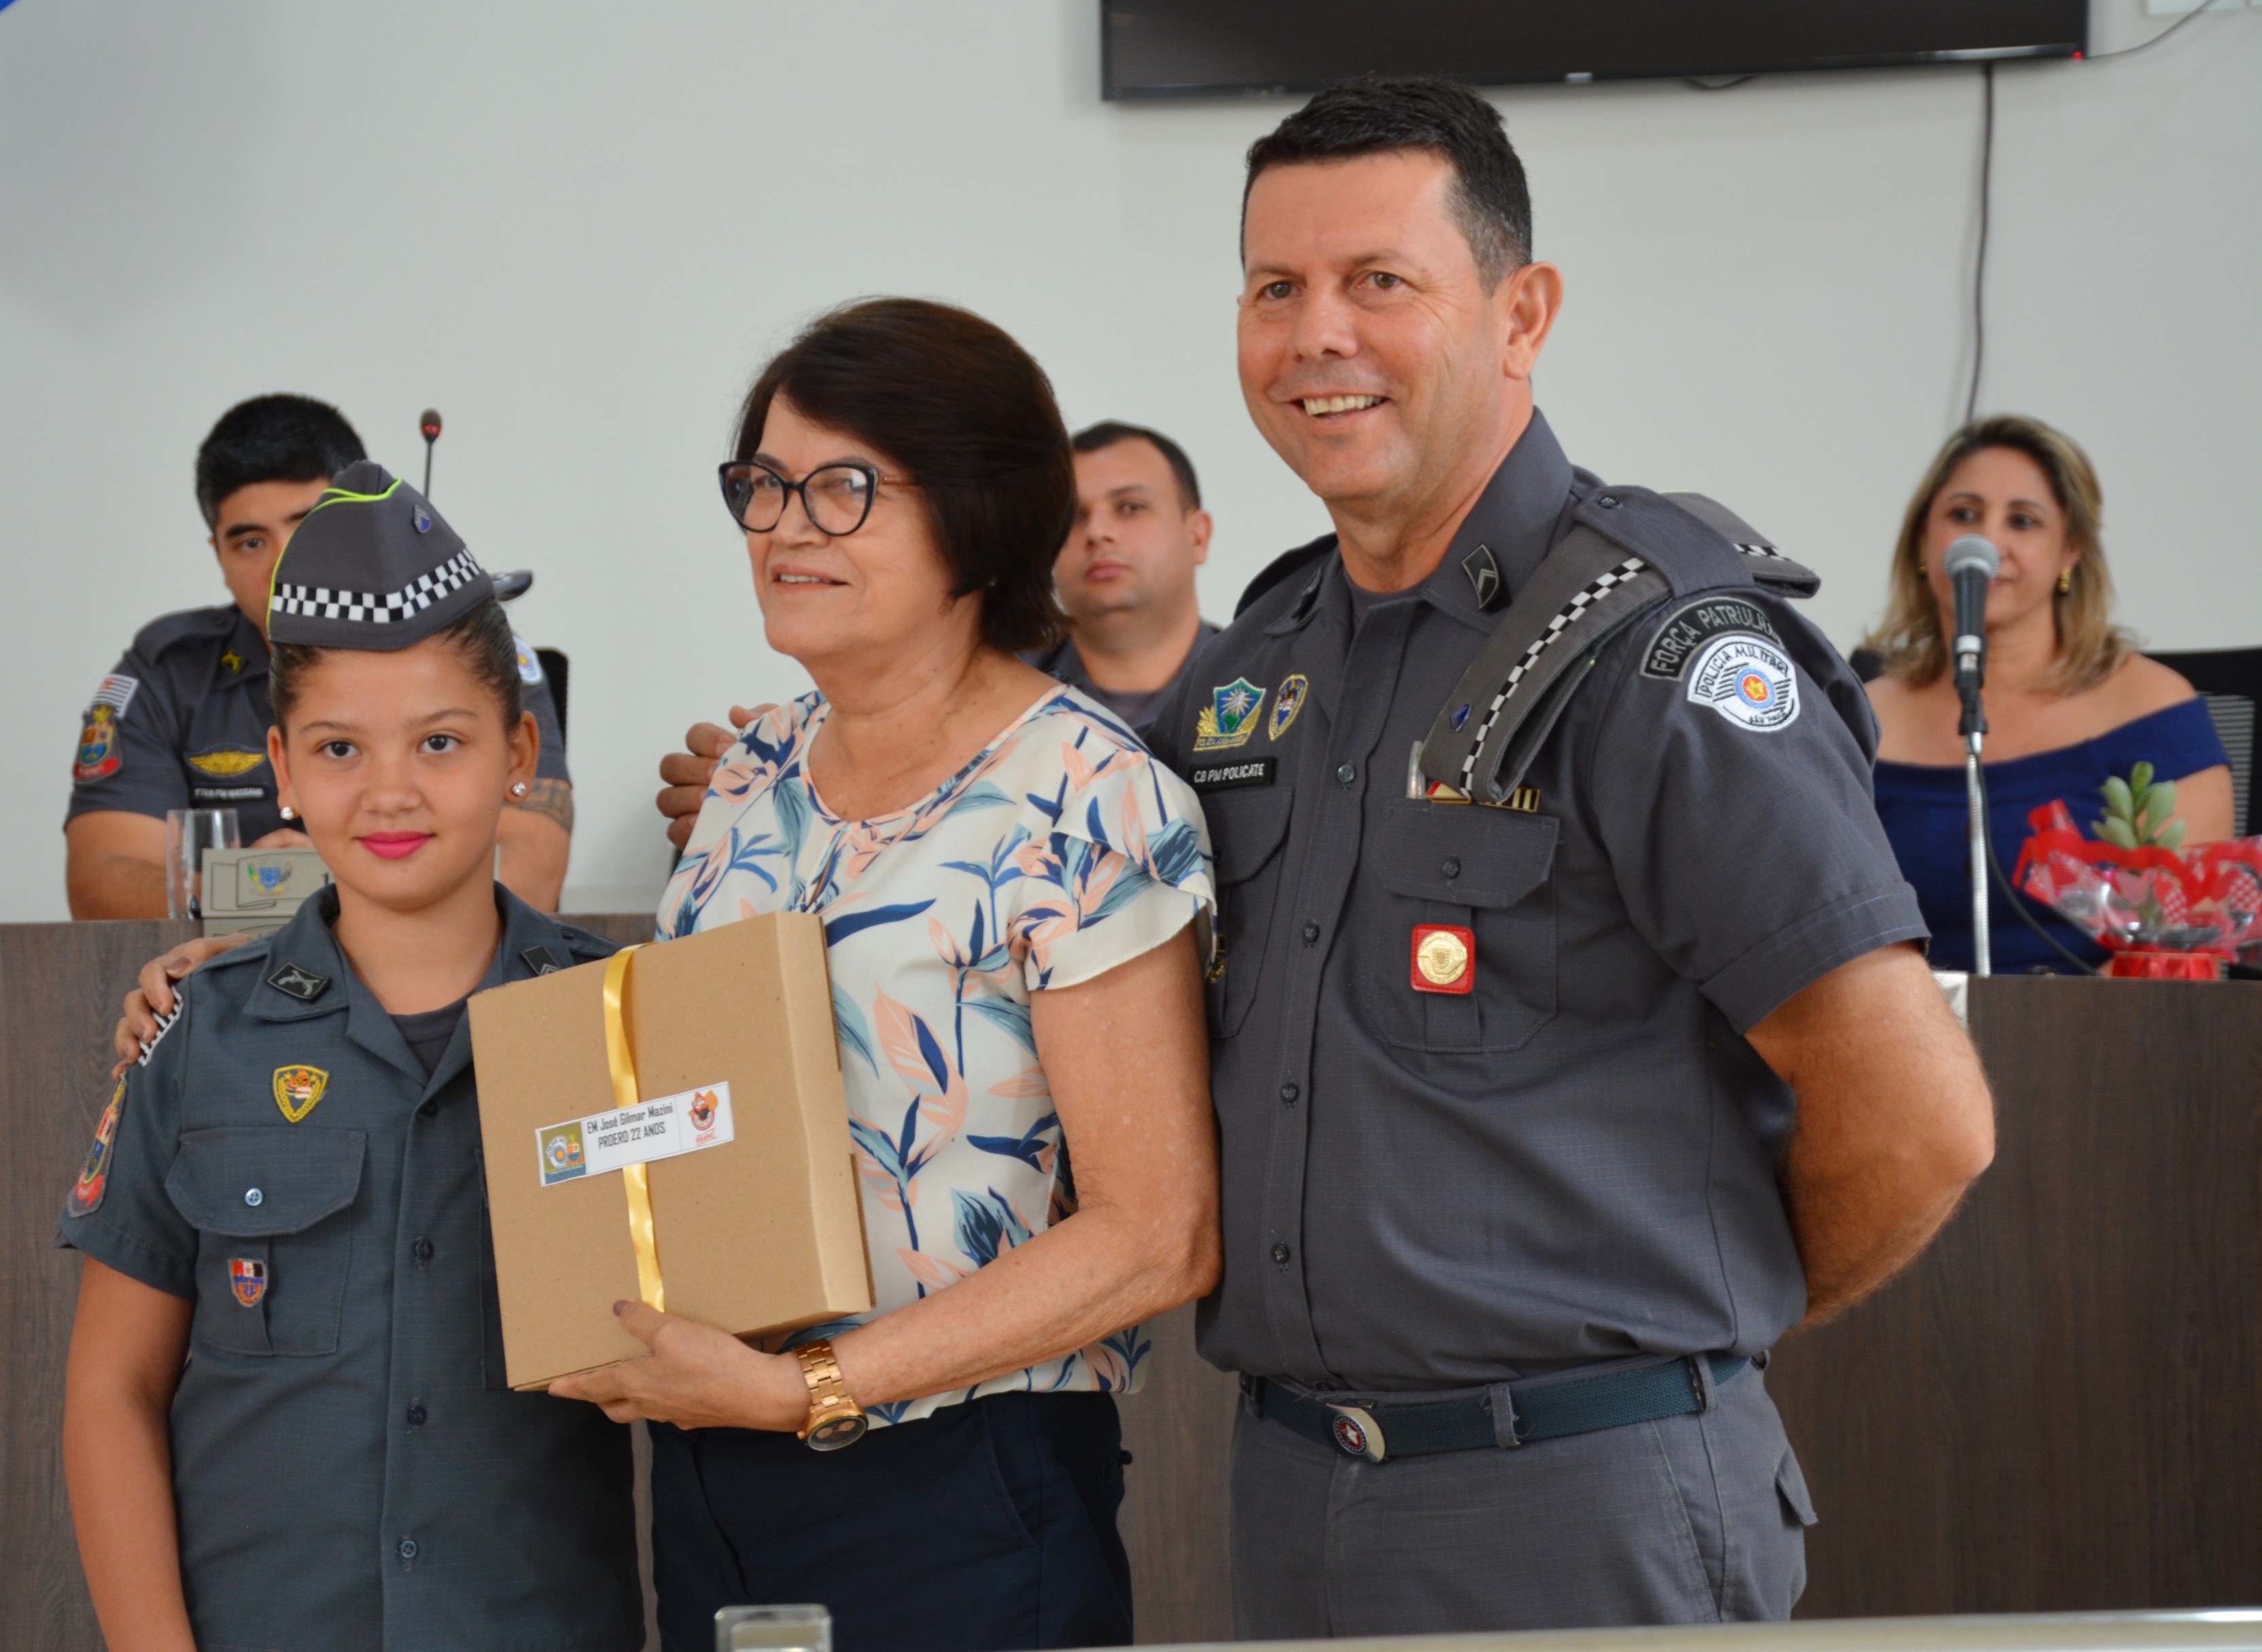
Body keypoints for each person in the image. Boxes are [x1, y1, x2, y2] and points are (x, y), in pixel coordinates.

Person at [655, 80, 1994, 1637]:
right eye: (1274, 289)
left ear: (1521, 312)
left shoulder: (1656, 656)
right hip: (1299, 1483)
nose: (1316, 335)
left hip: (1581, 1489)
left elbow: (1922, 1123)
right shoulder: (1263, 668)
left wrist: (1686, 1339)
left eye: (1380, 281)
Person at [563, 297, 1217, 1652]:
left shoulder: (1084, 795)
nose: (784, 527)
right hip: (713, 1454)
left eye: (842, 489)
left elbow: (1157, 1234)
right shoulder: (752, 773)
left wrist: (807, 1386)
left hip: (958, 1478)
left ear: (977, 516)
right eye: (763, 484)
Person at [58, 464, 640, 1652]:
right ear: (281, 769)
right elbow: (113, 1389)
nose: (389, 792)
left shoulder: (620, 1023)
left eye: (440, 741)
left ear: (519, 751)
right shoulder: (196, 1033)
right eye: (338, 749)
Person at [65, 393, 575, 918]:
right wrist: (263, 898)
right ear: (218, 553)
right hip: (230, 965)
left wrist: (328, 882)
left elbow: (531, 869)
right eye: (251, 543)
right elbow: (100, 882)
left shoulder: (466, 650)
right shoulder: (170, 670)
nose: (284, 564)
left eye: (307, 528)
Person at [1864, 415, 2233, 973]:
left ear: (2071, 550)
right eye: (1963, 514)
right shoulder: (1857, 718)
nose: (1988, 543)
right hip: (1897, 1021)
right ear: (1922, 539)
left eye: (2023, 521)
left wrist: (2049, 1027)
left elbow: (2180, 946)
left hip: (2099, 1023)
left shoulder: (2151, 709)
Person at [1030, 422, 1218, 741]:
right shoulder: (994, 701)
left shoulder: (1266, 682)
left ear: (1197, 536)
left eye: (1131, 507)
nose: (1097, 532)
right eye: (1073, 517)